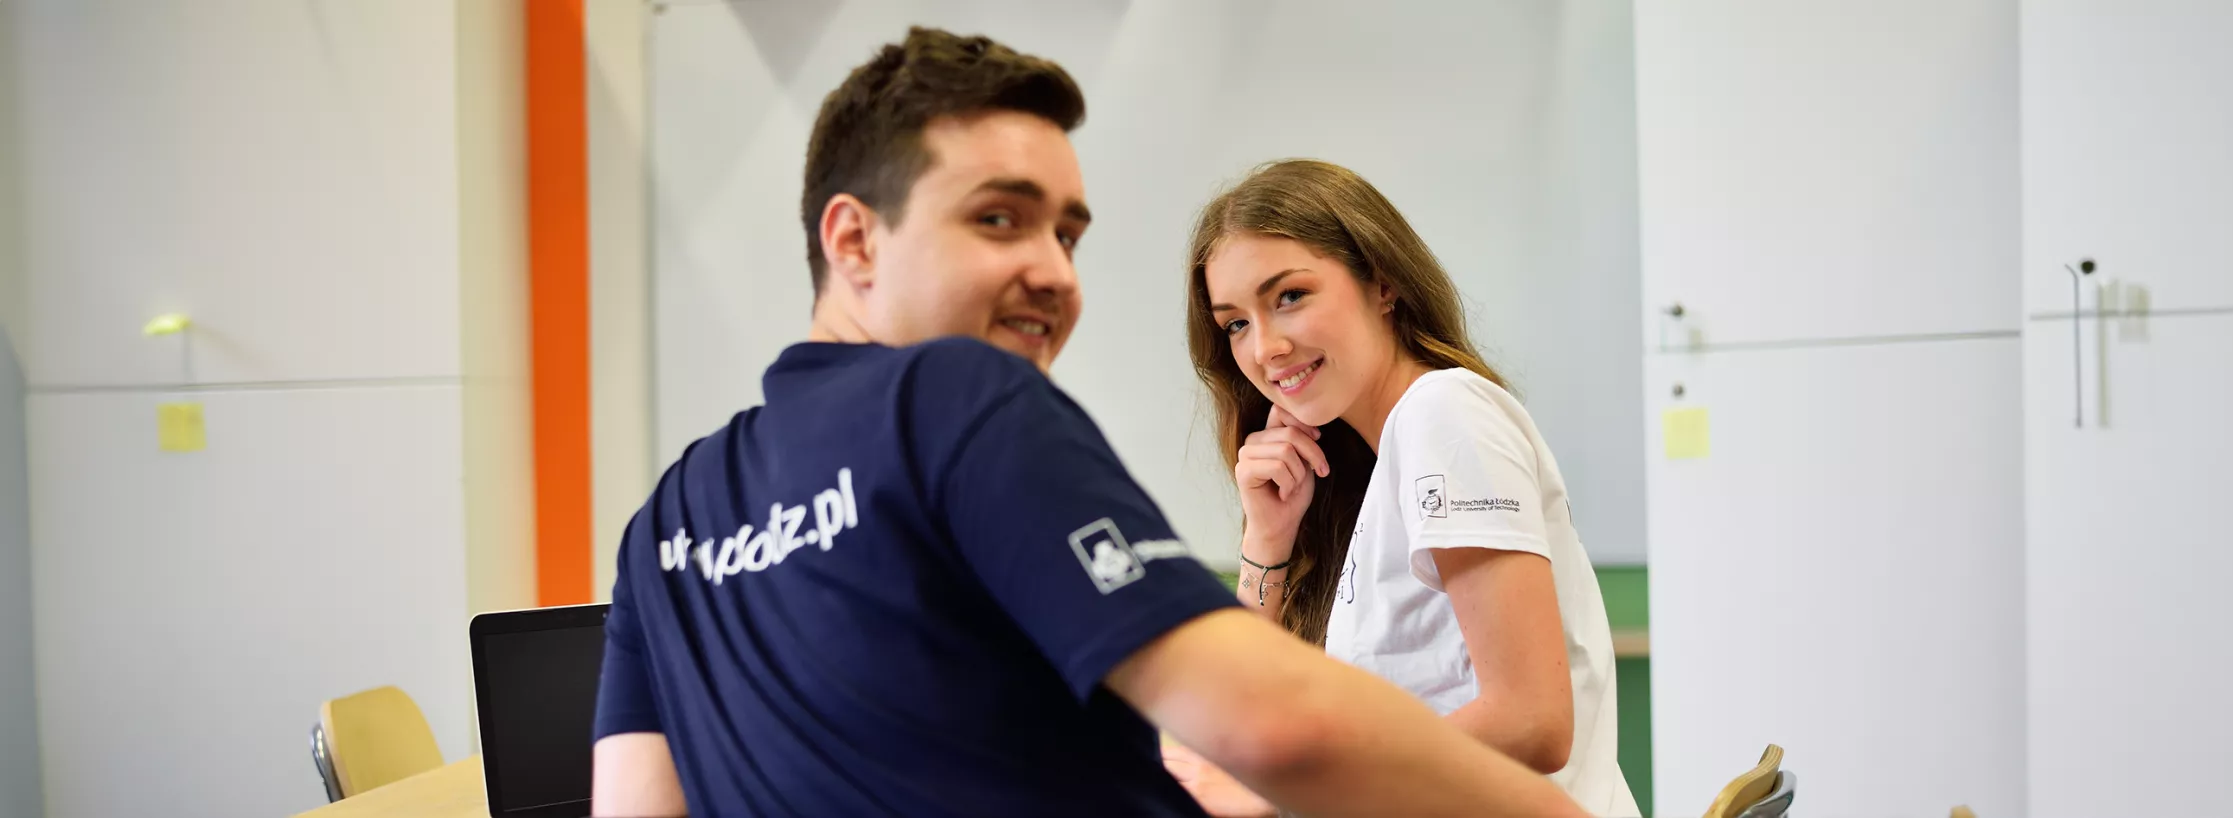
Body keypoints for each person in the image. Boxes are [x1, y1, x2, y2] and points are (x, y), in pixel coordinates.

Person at [589, 28, 1589, 818]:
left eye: (1066, 232)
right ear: (853, 238)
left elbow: (636, 805)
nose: (1055, 270)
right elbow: (1276, 728)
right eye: (998, 219)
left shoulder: (666, 520)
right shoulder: (955, 397)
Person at [1167, 159, 1640, 817]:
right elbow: (1236, 717)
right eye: (1236, 323)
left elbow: (1532, 722)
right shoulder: (1378, 463)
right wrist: (1267, 537)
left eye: (1290, 296)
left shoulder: (1442, 410)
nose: (1265, 347)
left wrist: (1299, 794)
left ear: (1381, 283)